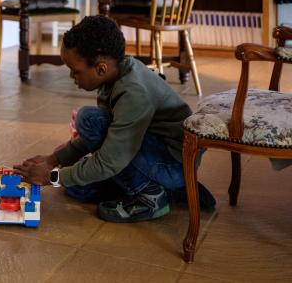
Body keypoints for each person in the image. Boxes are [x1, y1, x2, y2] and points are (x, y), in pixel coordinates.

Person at [14, 15, 215, 223]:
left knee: (88, 119)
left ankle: (151, 197)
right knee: (79, 189)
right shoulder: (115, 74)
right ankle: (170, 190)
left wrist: (51, 177)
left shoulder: (133, 92)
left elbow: (109, 159)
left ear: (100, 68)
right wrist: (53, 160)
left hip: (172, 164)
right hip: (149, 152)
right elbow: (105, 136)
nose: (72, 78)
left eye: (75, 72)